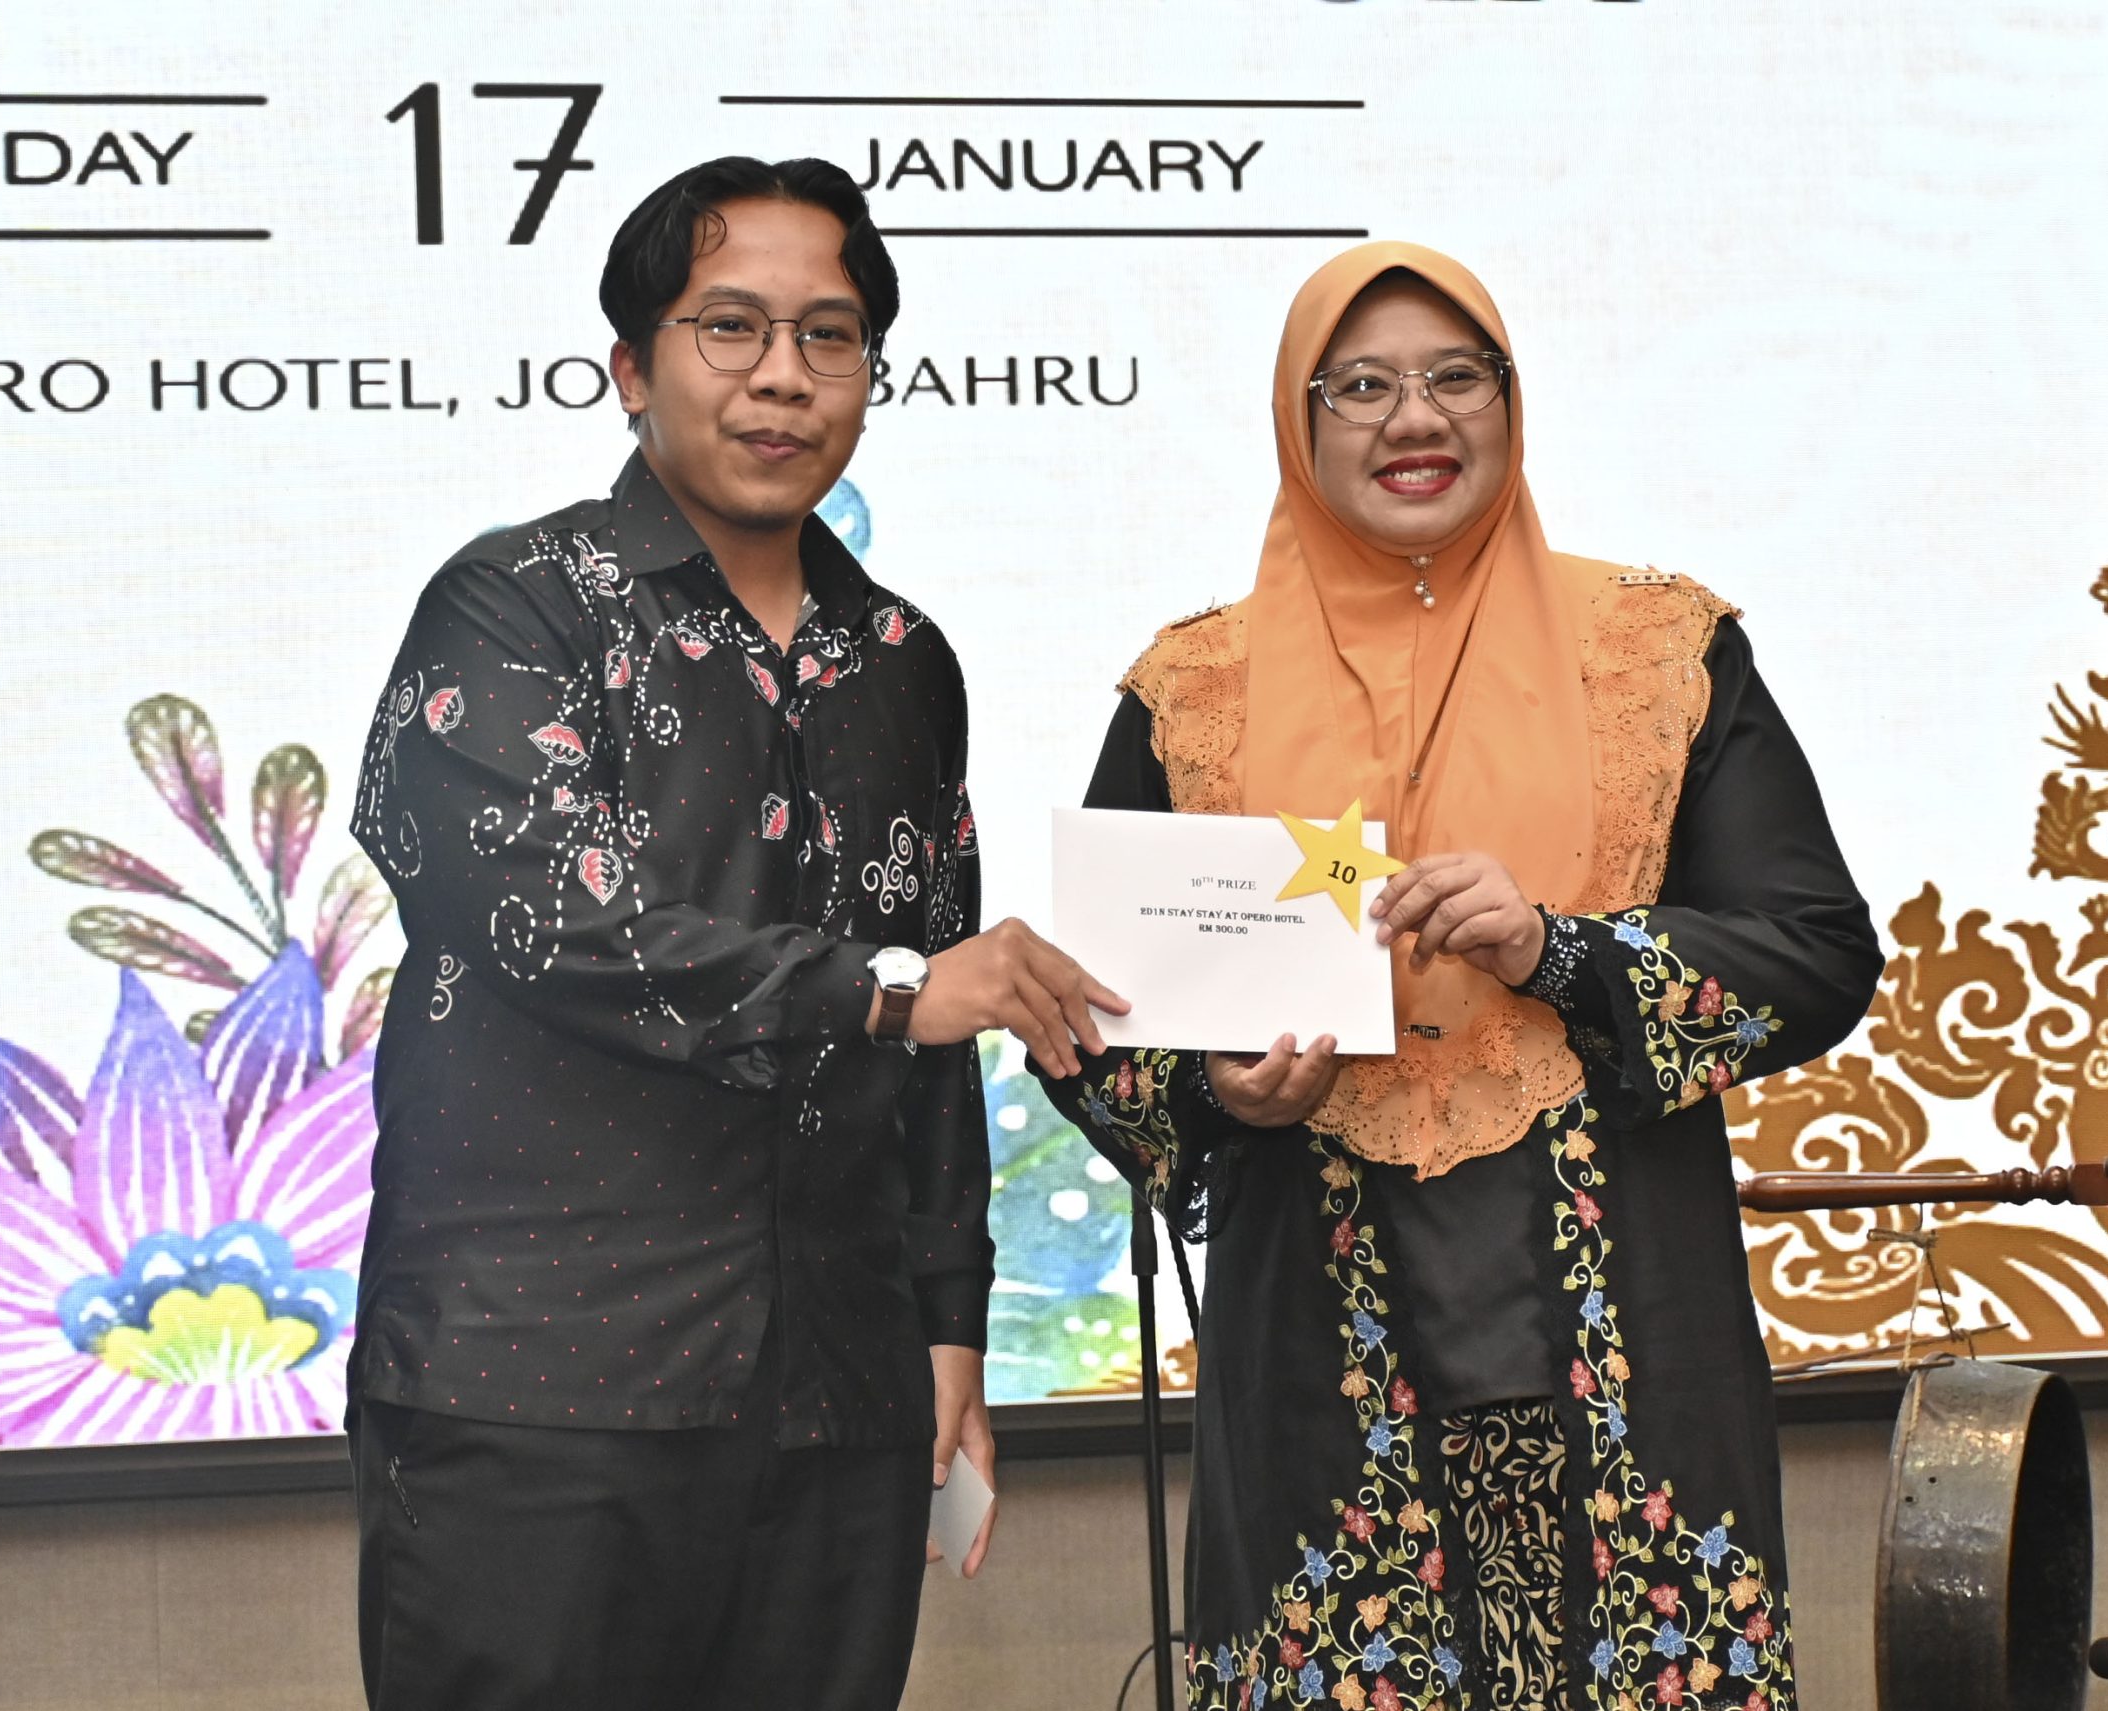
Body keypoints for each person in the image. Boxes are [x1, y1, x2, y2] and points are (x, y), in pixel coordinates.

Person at [1032, 243, 1882, 1710]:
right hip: (1320, 1365)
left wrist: (1562, 949)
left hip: (1628, 1344)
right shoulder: (1193, 694)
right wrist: (1222, 1092)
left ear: (1510, 398)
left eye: (1453, 377)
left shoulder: (1662, 651)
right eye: (1359, 386)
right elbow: (1091, 1033)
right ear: (1299, 424)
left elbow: (1815, 954)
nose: (1412, 418)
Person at [347, 155, 1123, 1711]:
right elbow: (550, 919)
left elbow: (941, 1014)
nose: (784, 375)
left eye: (829, 335)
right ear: (633, 369)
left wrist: (949, 1323)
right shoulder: (516, 605)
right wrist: (893, 992)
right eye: (731, 328)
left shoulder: (902, 658)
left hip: (839, 1391)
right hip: (544, 1380)